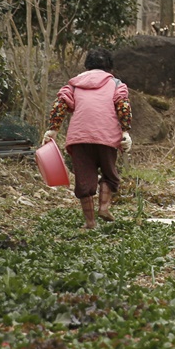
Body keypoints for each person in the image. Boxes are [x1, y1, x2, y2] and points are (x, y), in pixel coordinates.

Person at [43, 48, 133, 229]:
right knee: (109, 174)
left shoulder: (74, 85)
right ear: (110, 68)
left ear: (86, 66)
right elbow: (123, 106)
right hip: (107, 137)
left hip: (79, 138)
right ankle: (104, 207)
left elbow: (60, 104)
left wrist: (53, 129)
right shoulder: (116, 84)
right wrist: (125, 132)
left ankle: (90, 223)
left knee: (84, 180)